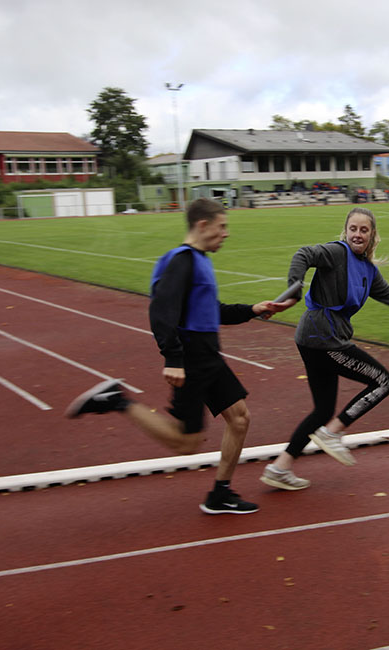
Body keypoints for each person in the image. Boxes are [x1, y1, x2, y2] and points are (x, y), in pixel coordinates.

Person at [65, 198, 291, 514]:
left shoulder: (199, 261)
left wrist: (254, 310)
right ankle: (116, 400)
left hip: (209, 355)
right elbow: (161, 310)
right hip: (192, 357)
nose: (226, 233)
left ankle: (220, 494)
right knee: (186, 442)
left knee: (239, 419)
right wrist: (173, 358)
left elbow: (211, 311)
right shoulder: (182, 261)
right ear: (202, 225)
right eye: (222, 226)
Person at [260, 207, 389, 491]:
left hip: (315, 338)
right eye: (353, 229)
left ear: (372, 235)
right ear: (345, 230)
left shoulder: (368, 271)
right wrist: (294, 289)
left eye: (364, 230)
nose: (357, 234)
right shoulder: (336, 253)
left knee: (323, 410)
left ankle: (280, 467)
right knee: (382, 381)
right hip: (322, 336)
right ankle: (333, 434)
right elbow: (303, 254)